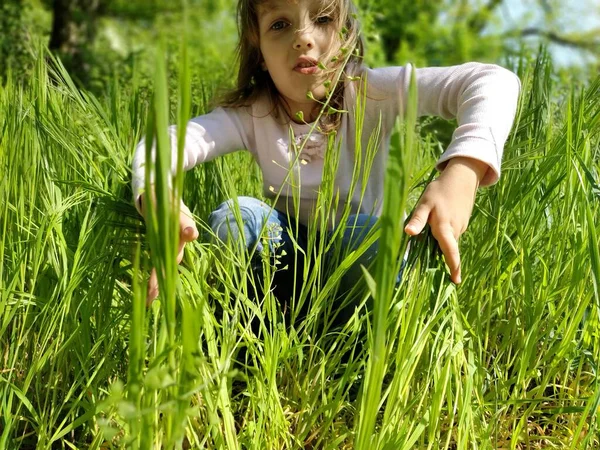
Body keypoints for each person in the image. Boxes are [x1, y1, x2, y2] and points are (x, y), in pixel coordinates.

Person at [132, 0, 520, 307]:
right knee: (237, 217)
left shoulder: (371, 93)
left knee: (369, 236)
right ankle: (255, 328)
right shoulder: (252, 114)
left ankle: (363, 346)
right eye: (280, 24)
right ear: (259, 51)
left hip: (363, 264)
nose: (303, 37)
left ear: (346, 34)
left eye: (321, 18)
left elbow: (492, 81)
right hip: (289, 262)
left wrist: (463, 171)